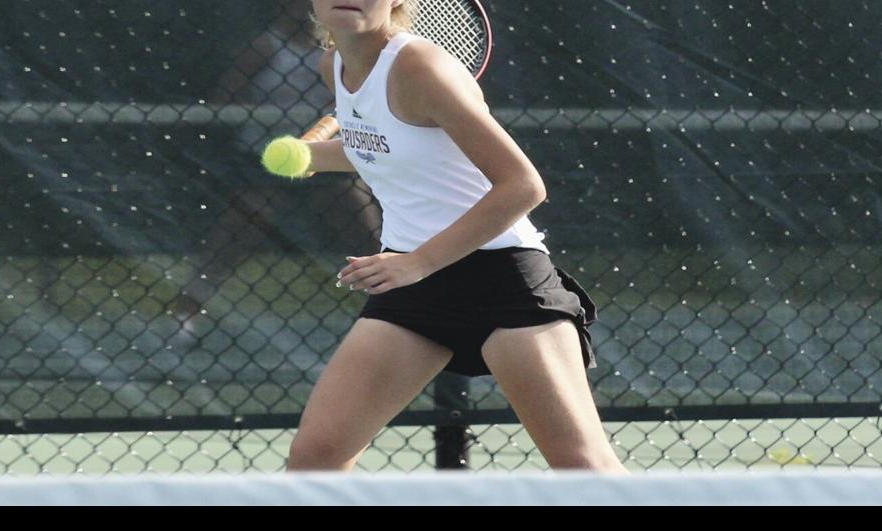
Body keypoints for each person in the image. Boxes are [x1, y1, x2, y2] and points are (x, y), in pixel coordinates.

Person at [285, 0, 625, 473]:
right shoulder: (334, 66)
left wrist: (418, 262)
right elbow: (391, 146)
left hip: (501, 279)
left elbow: (523, 185)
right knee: (316, 458)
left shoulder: (421, 66)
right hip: (412, 288)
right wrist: (314, 157)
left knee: (582, 467)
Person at [168, 0, 381, 335]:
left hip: (327, 160)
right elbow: (226, 100)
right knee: (236, 233)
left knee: (366, 229)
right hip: (265, 160)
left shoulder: (342, 51)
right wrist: (269, 119)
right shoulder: (265, 47)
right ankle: (185, 314)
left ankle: (399, 309)